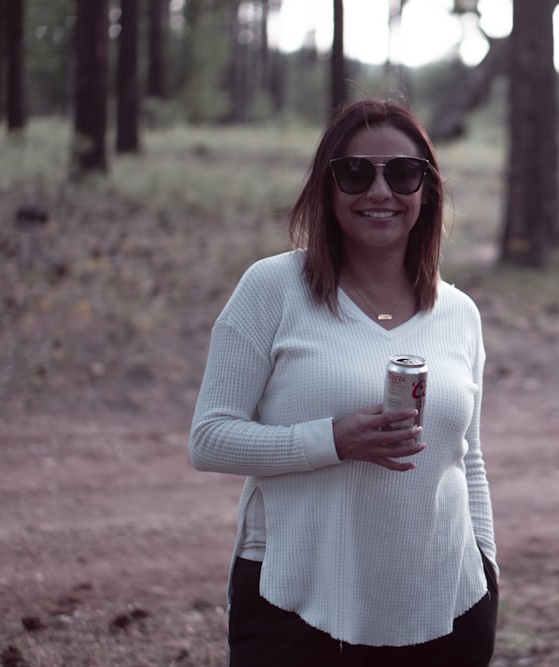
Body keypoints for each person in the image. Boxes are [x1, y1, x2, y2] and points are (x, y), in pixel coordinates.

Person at [189, 98, 498, 666]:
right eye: (356, 172)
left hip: (442, 608)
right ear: (326, 187)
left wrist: (485, 566)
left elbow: (467, 458)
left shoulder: (459, 313)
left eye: (403, 173)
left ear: (426, 190)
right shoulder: (273, 289)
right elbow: (209, 438)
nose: (380, 192)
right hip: (295, 603)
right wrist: (331, 441)